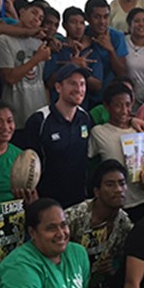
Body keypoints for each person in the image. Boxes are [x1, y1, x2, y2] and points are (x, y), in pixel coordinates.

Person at [65, 160, 135, 288]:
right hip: (67, 284)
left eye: (122, 183)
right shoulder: (74, 217)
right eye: (110, 185)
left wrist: (112, 270)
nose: (118, 189)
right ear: (97, 191)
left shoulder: (124, 223)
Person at [25, 64, 92, 208]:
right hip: (47, 202)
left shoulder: (85, 118)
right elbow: (28, 164)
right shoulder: (39, 120)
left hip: (79, 201)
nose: (79, 89)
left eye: (82, 84)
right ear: (58, 87)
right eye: (72, 83)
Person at [88, 84, 144, 221]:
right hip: (112, 202)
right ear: (106, 106)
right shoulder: (99, 132)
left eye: (128, 105)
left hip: (140, 199)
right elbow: (88, 159)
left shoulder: (139, 131)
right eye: (118, 105)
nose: (124, 110)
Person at [0, 2, 50, 140]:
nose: (36, 19)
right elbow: (9, 78)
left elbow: (41, 80)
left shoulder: (40, 44)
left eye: (40, 18)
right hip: (16, 115)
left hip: (39, 113)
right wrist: (36, 59)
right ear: (21, 11)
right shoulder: (3, 41)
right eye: (33, 13)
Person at [44, 7, 103, 104]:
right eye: (73, 22)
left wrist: (82, 70)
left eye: (82, 23)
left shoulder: (91, 52)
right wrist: (71, 65)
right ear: (64, 25)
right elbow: (50, 82)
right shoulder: (56, 49)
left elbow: (98, 86)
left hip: (82, 108)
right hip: (57, 106)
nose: (78, 27)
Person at [84, 0, 129, 105]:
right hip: (84, 96)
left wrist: (110, 50)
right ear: (87, 18)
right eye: (97, 17)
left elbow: (122, 74)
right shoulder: (82, 33)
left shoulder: (117, 37)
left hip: (109, 100)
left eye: (106, 17)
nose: (102, 22)